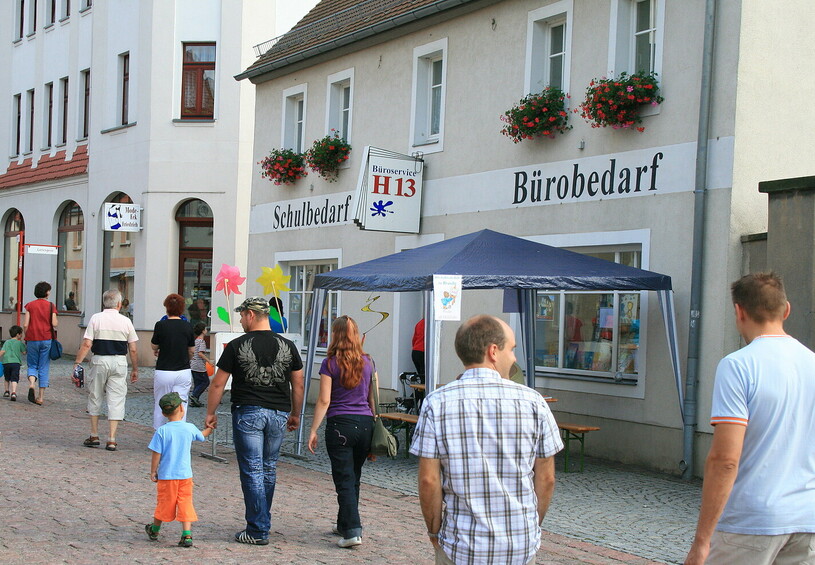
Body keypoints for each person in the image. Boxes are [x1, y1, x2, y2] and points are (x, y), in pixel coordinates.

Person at [410, 315, 563, 565]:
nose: (514, 357)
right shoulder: (534, 403)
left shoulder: (436, 403)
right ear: (493, 351)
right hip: (519, 546)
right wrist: (531, 527)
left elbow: (429, 480)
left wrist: (434, 531)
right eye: (511, 349)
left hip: (461, 545)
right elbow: (546, 478)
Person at [685, 272, 815, 565]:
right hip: (807, 519)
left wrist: (701, 541)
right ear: (787, 309)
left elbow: (725, 459)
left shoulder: (738, 366)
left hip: (751, 522)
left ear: (738, 311)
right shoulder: (812, 363)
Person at [205, 297, 304, 546]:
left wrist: (210, 412)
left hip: (248, 411)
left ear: (251, 314)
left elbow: (218, 382)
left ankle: (258, 528)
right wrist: (296, 413)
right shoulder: (288, 346)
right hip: (279, 413)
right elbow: (298, 384)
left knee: (252, 470)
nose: (239, 320)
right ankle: (262, 520)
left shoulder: (238, 345)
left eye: (241, 315)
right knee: (268, 468)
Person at [307, 316, 376, 549]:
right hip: (365, 423)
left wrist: (314, 429)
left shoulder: (330, 363)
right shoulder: (368, 362)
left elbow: (324, 399)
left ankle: (353, 531)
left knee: (344, 478)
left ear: (335, 336)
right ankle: (344, 523)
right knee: (354, 476)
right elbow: (371, 398)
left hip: (340, 425)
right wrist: (374, 429)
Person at [74, 289, 139, 451]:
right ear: (119, 304)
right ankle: (111, 438)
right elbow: (133, 349)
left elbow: (87, 344)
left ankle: (94, 435)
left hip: (100, 360)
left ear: (104, 302)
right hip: (119, 361)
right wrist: (135, 368)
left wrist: (77, 362)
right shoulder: (126, 321)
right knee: (116, 398)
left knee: (95, 395)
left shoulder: (96, 318)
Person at [146, 392, 213, 548]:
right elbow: (202, 436)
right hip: (185, 475)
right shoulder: (189, 428)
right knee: (185, 502)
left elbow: (156, 454)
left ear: (163, 413)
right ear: (181, 408)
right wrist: (209, 428)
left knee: (164, 502)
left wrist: (153, 471)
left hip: (167, 475)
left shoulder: (162, 431)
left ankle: (155, 529)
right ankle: (186, 535)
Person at [151, 294, 195, 429]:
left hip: (164, 369)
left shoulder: (161, 325)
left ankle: (160, 435)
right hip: (183, 370)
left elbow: (154, 345)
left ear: (167, 308)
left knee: (161, 403)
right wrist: (187, 358)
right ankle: (179, 434)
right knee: (181, 404)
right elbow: (192, 350)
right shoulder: (187, 326)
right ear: (182, 309)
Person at [23, 281, 58, 406]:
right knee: (43, 366)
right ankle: (40, 397)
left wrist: (26, 336)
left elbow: (25, 324)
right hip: (46, 338)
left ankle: (32, 383)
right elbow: (54, 324)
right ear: (47, 292)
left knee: (32, 365)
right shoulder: (50, 306)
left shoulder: (30, 305)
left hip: (32, 339)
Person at [1, 325, 26, 401]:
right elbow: (24, 352)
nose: (21, 335)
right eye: (21, 333)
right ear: (18, 334)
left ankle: (6, 391)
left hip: (6, 362)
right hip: (16, 363)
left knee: (7, 377)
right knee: (14, 378)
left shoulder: (7, 342)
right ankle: (14, 392)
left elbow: (2, 351)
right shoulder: (19, 343)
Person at [188, 322, 209, 407]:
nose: (206, 330)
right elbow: (200, 353)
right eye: (206, 329)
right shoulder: (202, 341)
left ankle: (194, 401)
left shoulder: (195, 341)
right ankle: (194, 396)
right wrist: (209, 361)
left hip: (193, 364)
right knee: (205, 382)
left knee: (197, 383)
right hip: (199, 365)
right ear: (203, 331)